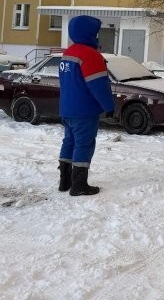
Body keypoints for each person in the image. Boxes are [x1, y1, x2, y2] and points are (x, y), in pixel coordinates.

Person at [57, 15, 115, 196]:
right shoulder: (90, 55)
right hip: (85, 110)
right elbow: (98, 86)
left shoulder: (69, 53)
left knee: (69, 142)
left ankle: (64, 181)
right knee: (84, 144)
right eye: (96, 33)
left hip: (67, 109)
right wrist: (109, 106)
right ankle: (79, 185)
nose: (98, 36)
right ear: (89, 33)